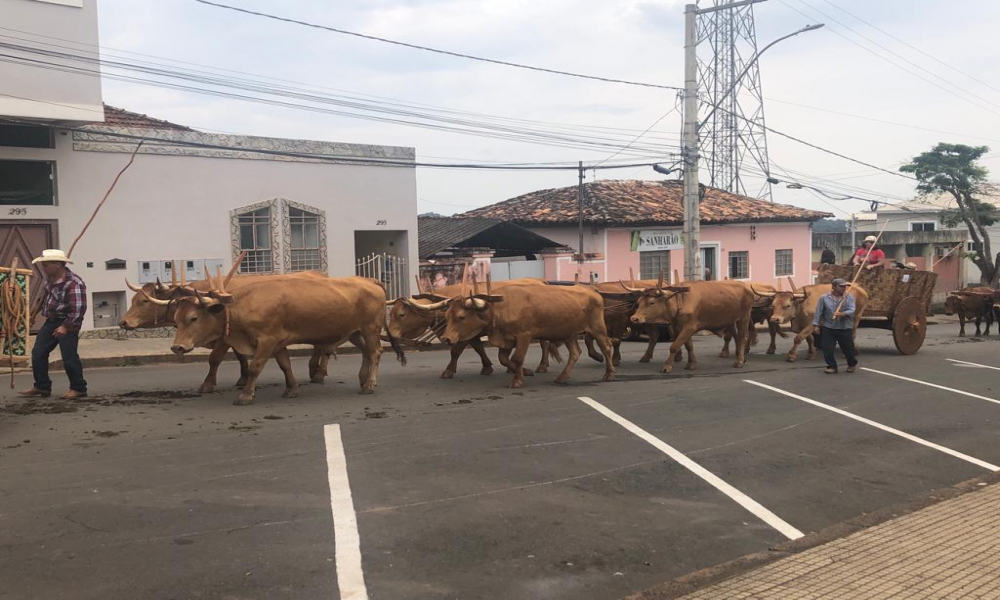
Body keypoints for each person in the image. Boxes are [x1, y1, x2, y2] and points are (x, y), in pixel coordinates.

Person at [19, 249, 88, 399]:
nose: (43, 268)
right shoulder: (49, 280)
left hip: (68, 322)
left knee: (69, 356)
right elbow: (43, 299)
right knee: (38, 353)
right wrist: (33, 314)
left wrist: (65, 326)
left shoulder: (74, 283)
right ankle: (42, 386)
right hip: (50, 322)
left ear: (57, 265)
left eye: (46, 265)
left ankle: (78, 388)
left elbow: (78, 309)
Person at [812, 277, 858, 374]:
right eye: (841, 286)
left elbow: (852, 309)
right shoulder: (824, 298)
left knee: (848, 348)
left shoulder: (849, 297)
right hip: (829, 326)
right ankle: (832, 366)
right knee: (827, 347)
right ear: (833, 287)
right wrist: (816, 325)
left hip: (844, 327)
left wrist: (843, 314)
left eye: (845, 286)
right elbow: (818, 312)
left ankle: (851, 363)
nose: (843, 288)